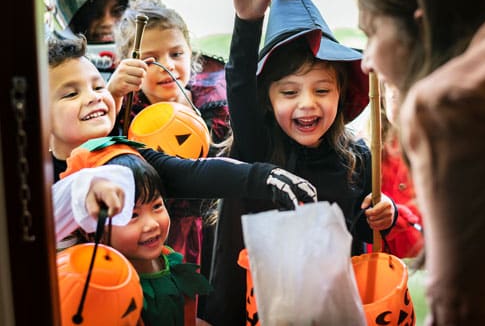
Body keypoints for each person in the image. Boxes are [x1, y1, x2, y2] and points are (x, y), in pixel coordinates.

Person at [203, 0, 398, 324]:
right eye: (290, 92)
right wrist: (247, 22)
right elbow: (238, 86)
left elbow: (363, 225)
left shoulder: (358, 157)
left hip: (330, 305)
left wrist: (384, 215)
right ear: (266, 99)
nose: (307, 104)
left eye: (322, 90)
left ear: (342, 93)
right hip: (255, 305)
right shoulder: (257, 147)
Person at [47, 34, 318, 248]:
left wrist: (264, 177)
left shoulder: (124, 154)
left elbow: (191, 172)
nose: (94, 96)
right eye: (71, 94)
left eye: (97, 86)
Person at [355, 0, 485, 324]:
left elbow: (462, 306)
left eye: (372, 33)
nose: (366, 61)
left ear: (420, 21)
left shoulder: (451, 107)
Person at [109, 0, 231, 285]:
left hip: (213, 227)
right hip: (160, 234)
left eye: (176, 54)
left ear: (192, 53)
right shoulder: (126, 112)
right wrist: (113, 93)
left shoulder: (212, 103)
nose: (167, 66)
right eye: (151, 60)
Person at [58, 138, 212, 326]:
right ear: (91, 230)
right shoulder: (105, 285)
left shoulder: (168, 258)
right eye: (132, 215)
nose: (151, 224)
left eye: (156, 206)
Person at [364, 81, 424, 258]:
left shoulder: (448, 152)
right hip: (379, 270)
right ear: (381, 94)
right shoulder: (365, 152)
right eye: (398, 92)